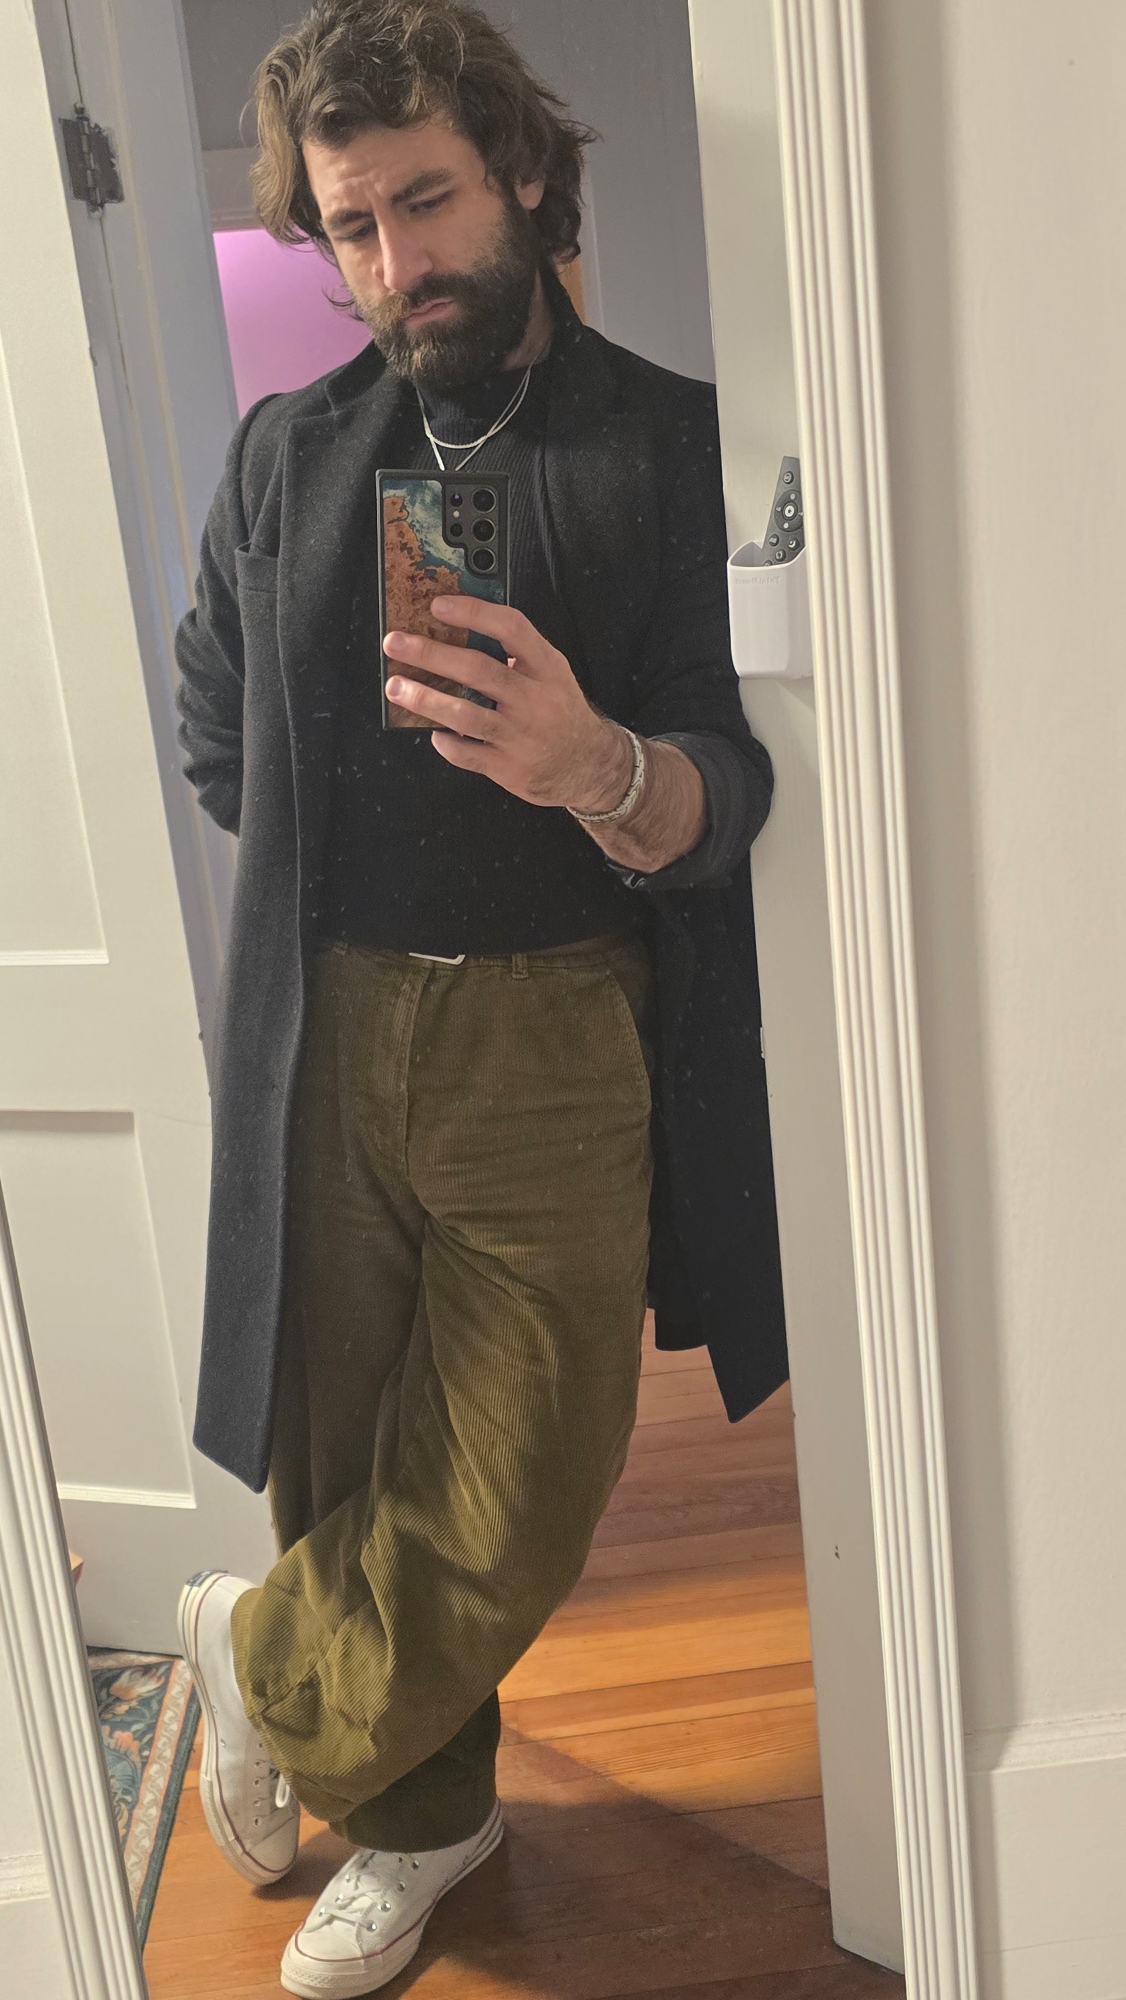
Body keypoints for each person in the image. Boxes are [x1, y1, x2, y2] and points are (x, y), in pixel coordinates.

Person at [174, 1, 786, 1992]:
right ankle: (424, 1823)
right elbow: (210, 717)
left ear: (520, 168)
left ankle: (256, 1657)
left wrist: (594, 767)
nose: (395, 263)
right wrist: (327, 846)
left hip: (555, 1027)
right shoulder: (288, 450)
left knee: (524, 1470)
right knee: (343, 1455)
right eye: (351, 226)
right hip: (326, 1022)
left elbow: (733, 780)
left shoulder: (670, 440)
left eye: (426, 201)